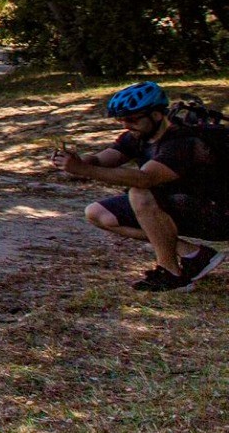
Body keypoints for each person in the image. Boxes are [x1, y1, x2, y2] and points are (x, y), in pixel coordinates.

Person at [52, 81, 228, 292]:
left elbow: (144, 179)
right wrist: (76, 161)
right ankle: (195, 255)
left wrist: (82, 170)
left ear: (156, 115)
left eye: (133, 119)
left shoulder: (182, 142)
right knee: (98, 213)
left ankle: (171, 273)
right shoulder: (138, 137)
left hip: (218, 214)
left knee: (140, 193)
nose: (126, 125)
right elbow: (102, 160)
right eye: (122, 120)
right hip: (186, 206)